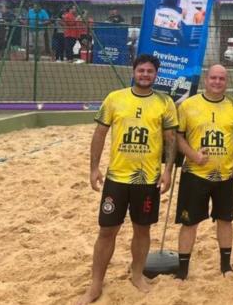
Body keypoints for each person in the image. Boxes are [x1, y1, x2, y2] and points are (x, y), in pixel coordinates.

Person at [76, 54, 179, 305]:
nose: (145, 75)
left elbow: (171, 140)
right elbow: (100, 134)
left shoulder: (165, 102)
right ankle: (96, 283)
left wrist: (167, 172)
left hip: (147, 180)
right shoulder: (115, 98)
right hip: (116, 178)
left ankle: (136, 275)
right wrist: (93, 168)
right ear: (134, 72)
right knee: (107, 230)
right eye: (141, 70)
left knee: (142, 229)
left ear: (156, 75)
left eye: (150, 71)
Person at [174, 65, 233, 280]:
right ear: (206, 80)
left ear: (227, 81)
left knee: (225, 220)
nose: (217, 82)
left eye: (222, 79)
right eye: (213, 78)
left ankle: (225, 267)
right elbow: (177, 137)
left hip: (226, 175)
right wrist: (193, 155)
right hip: (194, 174)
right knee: (189, 222)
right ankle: (182, 271)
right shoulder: (188, 105)